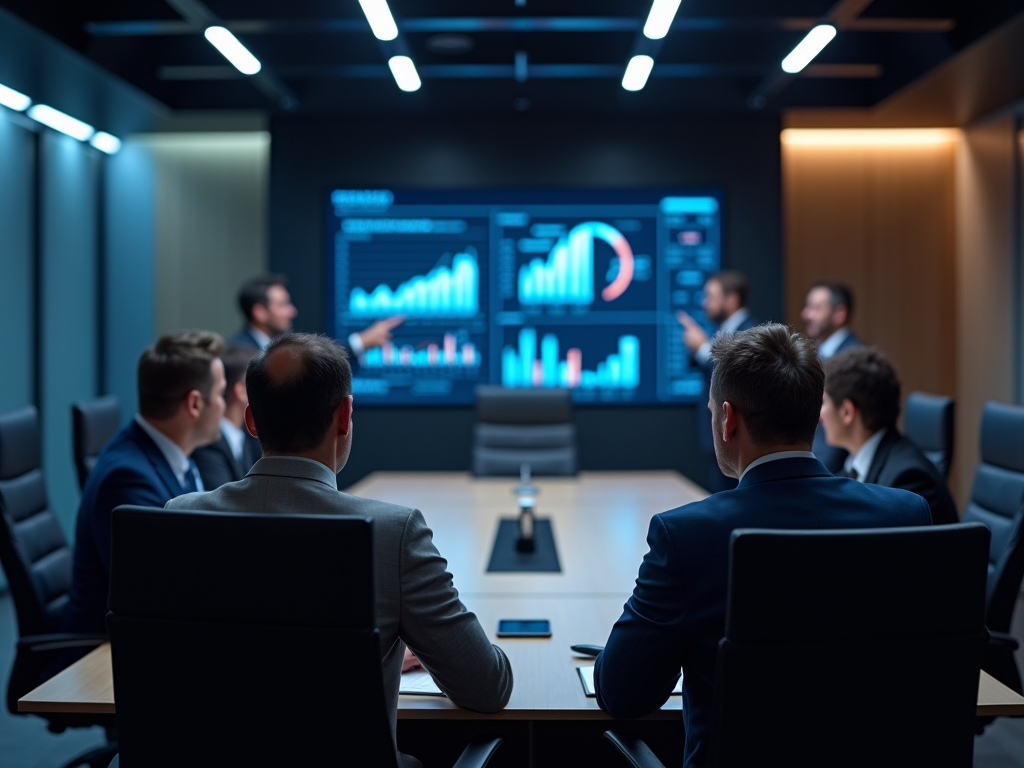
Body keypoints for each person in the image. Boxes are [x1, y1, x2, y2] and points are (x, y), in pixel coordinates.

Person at [594, 324, 931, 768]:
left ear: (728, 420)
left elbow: (622, 694)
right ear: (815, 417)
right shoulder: (907, 516)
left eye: (714, 411)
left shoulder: (686, 536)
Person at [166, 333, 513, 741]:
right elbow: (486, 687)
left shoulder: (179, 519)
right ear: (345, 416)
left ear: (252, 421)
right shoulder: (392, 534)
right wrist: (388, 646)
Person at [62, 331, 227, 638]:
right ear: (194, 403)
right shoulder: (127, 480)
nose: (223, 405)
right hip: (98, 658)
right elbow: (159, 596)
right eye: (219, 394)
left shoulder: (175, 454)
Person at [820, 346, 958, 525]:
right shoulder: (854, 463)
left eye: (823, 403)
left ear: (847, 412)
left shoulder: (909, 481)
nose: (820, 415)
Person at [676, 270, 758, 493]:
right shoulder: (724, 331)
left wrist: (703, 348)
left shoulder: (750, 333)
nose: (704, 303)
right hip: (723, 438)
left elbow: (735, 377)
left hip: (736, 439)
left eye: (711, 296)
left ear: (731, 300)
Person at [230, 273, 403, 356]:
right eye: (283, 305)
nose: (292, 311)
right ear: (260, 312)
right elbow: (313, 364)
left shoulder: (273, 347)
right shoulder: (241, 353)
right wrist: (359, 342)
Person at [802, 280, 863, 472]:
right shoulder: (815, 354)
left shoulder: (855, 359)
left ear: (839, 314)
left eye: (815, 308)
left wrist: (811, 473)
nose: (806, 314)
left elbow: (847, 431)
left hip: (831, 473)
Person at [192, 345, 261, 490]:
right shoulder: (208, 442)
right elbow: (221, 505)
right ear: (241, 390)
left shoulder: (244, 437)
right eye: (259, 382)